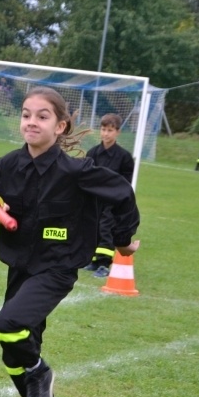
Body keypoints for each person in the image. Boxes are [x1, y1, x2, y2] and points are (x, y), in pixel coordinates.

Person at [0, 87, 140, 397]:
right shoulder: (7, 165)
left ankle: (41, 375)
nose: (32, 122)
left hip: (57, 267)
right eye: (26, 114)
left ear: (60, 126)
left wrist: (122, 241)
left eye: (42, 116)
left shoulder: (77, 171)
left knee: (7, 323)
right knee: (11, 352)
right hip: (20, 266)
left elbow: (122, 193)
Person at [83, 113, 135, 278]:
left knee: (106, 229)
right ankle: (93, 260)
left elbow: (126, 182)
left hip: (113, 201)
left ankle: (104, 263)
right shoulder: (92, 153)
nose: (106, 133)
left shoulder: (124, 157)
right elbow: (86, 176)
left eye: (110, 130)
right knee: (93, 228)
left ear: (118, 132)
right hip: (94, 200)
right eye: (104, 129)